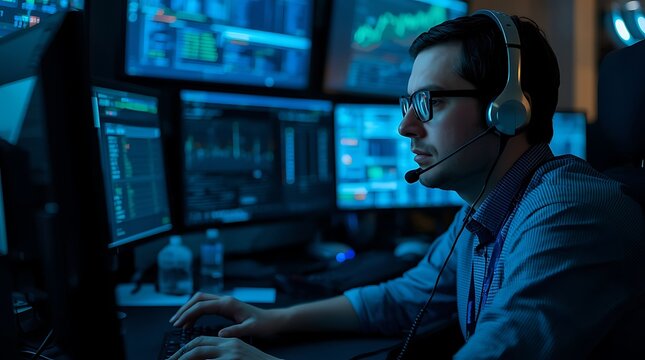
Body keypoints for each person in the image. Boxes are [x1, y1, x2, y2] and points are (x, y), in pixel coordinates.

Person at [167, 10, 645, 360]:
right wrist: (276, 319)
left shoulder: (572, 213)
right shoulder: (490, 207)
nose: (406, 127)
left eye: (429, 101)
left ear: (508, 109)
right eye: (407, 103)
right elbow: (404, 297)